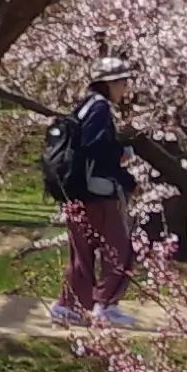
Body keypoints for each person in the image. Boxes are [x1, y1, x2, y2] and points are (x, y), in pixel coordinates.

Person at [45, 67, 142, 326]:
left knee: (82, 252)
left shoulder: (84, 106)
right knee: (118, 248)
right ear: (109, 84)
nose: (126, 90)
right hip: (97, 192)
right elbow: (97, 149)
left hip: (75, 191)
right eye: (123, 83)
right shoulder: (100, 109)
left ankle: (69, 306)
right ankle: (106, 305)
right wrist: (125, 168)